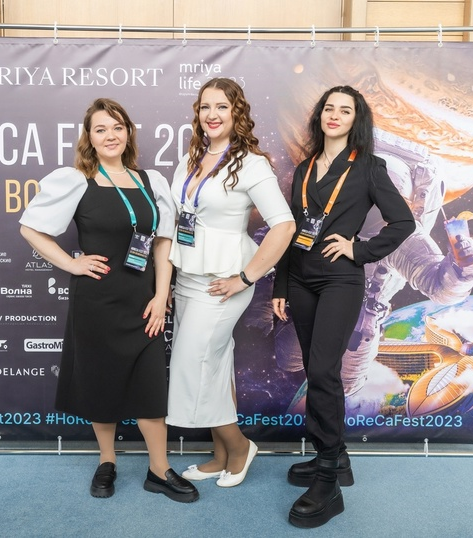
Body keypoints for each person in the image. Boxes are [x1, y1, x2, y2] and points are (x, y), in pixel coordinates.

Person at [19, 98, 198, 503]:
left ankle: (159, 469)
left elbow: (163, 242)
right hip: (97, 302)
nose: (110, 135)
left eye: (117, 127)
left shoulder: (151, 181)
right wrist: (71, 263)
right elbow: (31, 228)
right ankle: (107, 460)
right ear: (90, 137)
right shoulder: (77, 180)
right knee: (100, 383)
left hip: (144, 302)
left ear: (129, 132)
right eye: (101, 129)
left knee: (150, 387)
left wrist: (162, 295)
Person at [271, 86, 415, 528]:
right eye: (329, 108)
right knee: (316, 370)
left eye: (345, 110)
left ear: (356, 120)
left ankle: (328, 480)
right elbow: (292, 229)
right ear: (320, 116)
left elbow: (403, 221)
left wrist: (361, 250)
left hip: (340, 280)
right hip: (301, 280)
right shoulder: (305, 168)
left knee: (323, 371)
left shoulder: (369, 166)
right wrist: (281, 283)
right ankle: (335, 458)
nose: (334, 115)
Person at [166, 78, 295, 488]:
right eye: (205, 106)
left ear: (236, 112)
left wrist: (246, 276)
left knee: (193, 364)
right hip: (188, 277)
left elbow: (284, 226)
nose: (212, 114)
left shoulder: (252, 164)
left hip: (223, 283)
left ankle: (239, 447)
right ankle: (220, 454)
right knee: (216, 367)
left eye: (222, 106)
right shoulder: (190, 159)